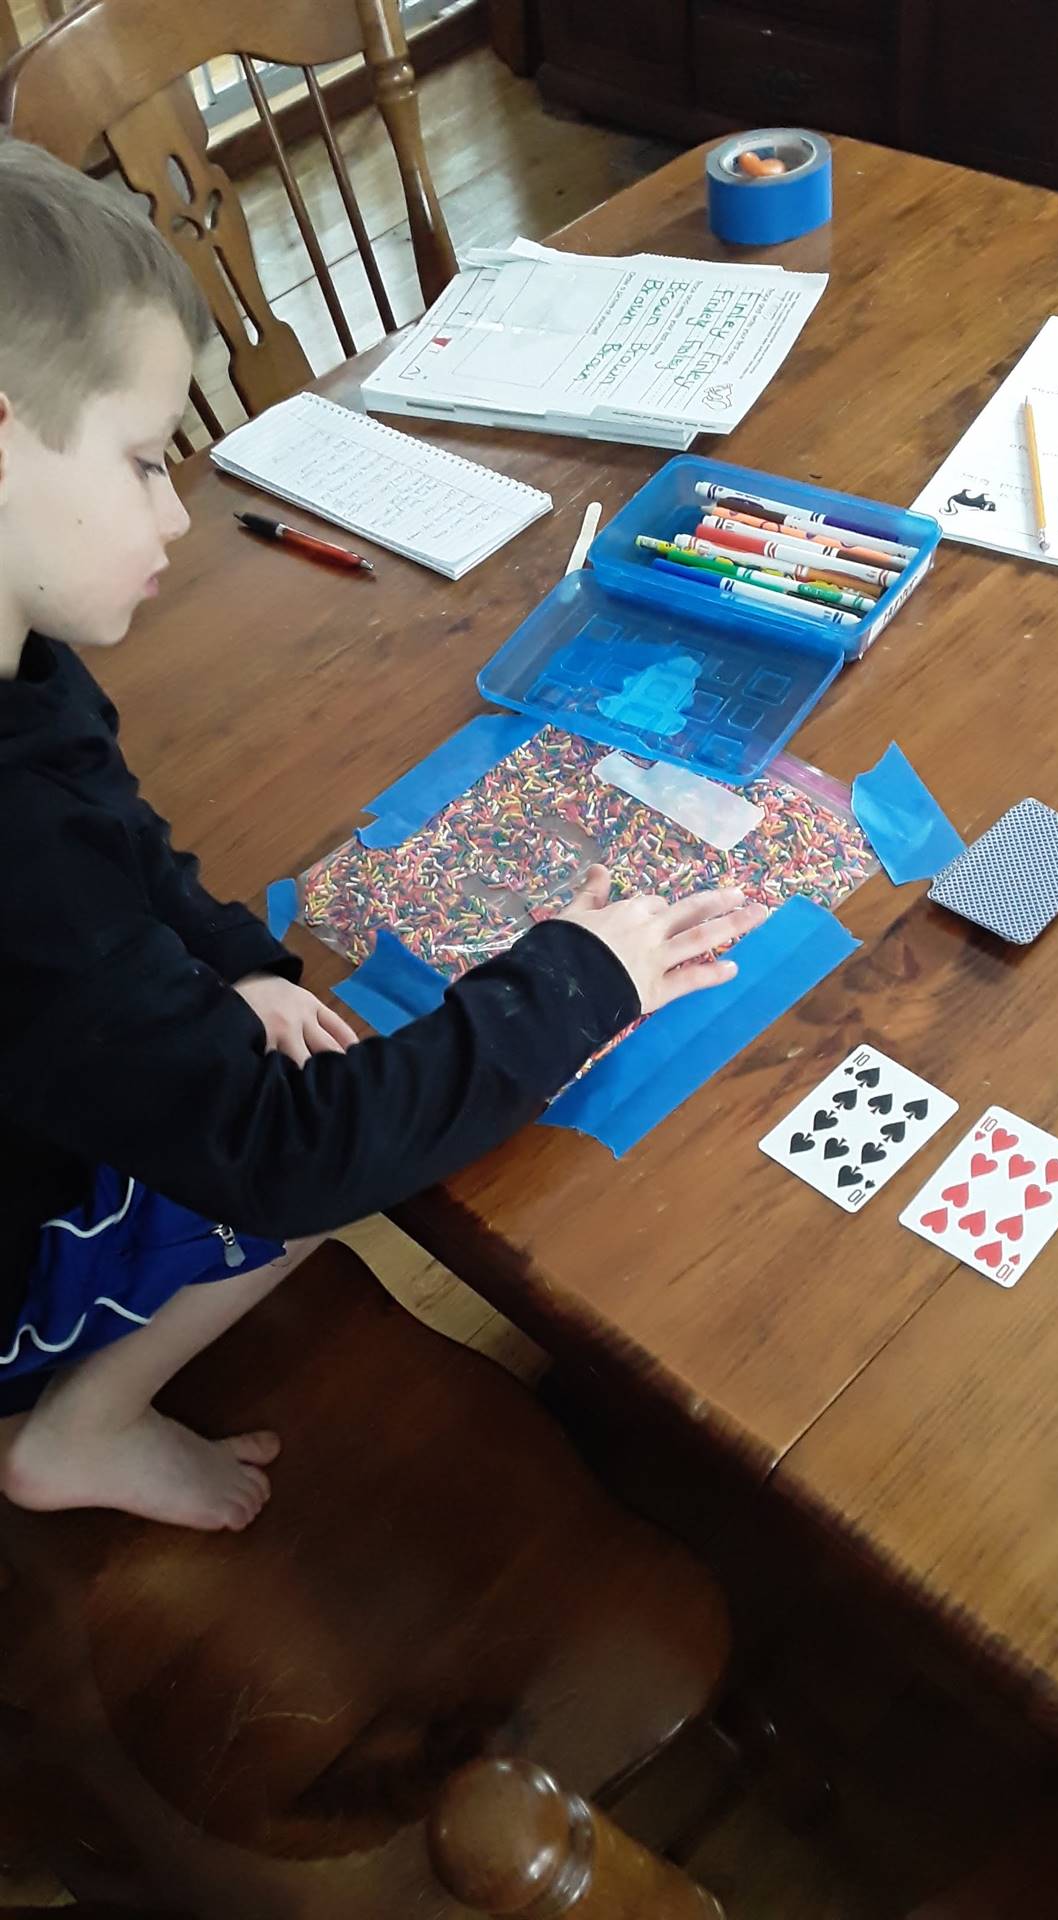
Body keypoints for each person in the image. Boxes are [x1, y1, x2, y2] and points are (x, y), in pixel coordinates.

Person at [0, 138, 764, 1534]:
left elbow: (116, 833)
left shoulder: (19, 655)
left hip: (53, 1082)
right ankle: (77, 1429)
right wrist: (579, 979)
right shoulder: (16, 869)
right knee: (342, 1158)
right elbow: (293, 1154)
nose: (179, 509)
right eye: (140, 460)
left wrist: (238, 963)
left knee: (314, 1042)